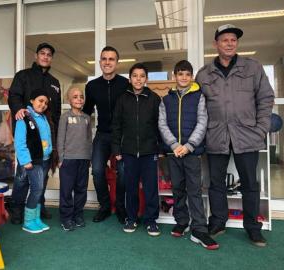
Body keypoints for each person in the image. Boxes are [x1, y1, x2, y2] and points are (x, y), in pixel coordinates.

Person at [196, 24, 274, 247]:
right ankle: (218, 221)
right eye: (225, 40)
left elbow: (266, 99)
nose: (230, 43)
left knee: (250, 183)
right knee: (216, 183)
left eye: (233, 40)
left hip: (247, 135)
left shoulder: (253, 67)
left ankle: (253, 228)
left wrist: (261, 128)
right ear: (216, 44)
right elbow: (198, 106)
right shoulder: (204, 74)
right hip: (216, 136)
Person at [158, 60, 219, 250]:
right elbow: (162, 124)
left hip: (191, 152)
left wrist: (189, 145)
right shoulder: (166, 99)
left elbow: (203, 122)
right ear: (174, 76)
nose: (183, 77)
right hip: (173, 152)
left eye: (187, 74)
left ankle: (199, 229)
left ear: (191, 77)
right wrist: (175, 145)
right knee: (178, 188)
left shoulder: (199, 96)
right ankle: (182, 221)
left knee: (194, 189)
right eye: (180, 74)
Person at [9, 42, 61, 220]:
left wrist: (56, 136)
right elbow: (14, 96)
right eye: (42, 53)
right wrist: (19, 110)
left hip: (47, 136)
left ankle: (39, 205)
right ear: (36, 56)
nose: (45, 56)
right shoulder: (23, 76)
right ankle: (16, 209)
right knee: (23, 175)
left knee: (42, 175)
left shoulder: (55, 83)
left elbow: (57, 110)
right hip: (27, 134)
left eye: (49, 54)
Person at [112, 63, 161, 236]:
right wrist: (117, 148)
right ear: (130, 78)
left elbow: (159, 125)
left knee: (150, 188)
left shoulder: (154, 98)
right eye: (135, 76)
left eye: (142, 76)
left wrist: (159, 147)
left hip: (149, 151)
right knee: (130, 187)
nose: (138, 79)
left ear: (146, 79)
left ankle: (151, 220)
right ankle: (131, 218)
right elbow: (116, 125)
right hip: (129, 151)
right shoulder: (122, 99)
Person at [82, 46, 130, 223]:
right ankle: (104, 206)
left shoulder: (126, 84)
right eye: (104, 59)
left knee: (124, 172)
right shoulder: (92, 86)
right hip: (102, 135)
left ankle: (120, 207)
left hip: (122, 136)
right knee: (96, 170)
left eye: (111, 59)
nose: (107, 62)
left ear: (117, 63)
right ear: (100, 62)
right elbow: (86, 112)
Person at [12, 88, 54, 233]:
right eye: (40, 101)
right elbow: (19, 142)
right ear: (32, 100)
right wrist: (25, 161)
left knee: (39, 190)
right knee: (36, 190)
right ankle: (28, 221)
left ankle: (36, 219)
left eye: (46, 103)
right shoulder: (24, 117)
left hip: (44, 159)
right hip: (33, 161)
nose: (43, 105)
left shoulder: (43, 117)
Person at [57, 87, 92, 231]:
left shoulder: (87, 118)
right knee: (66, 189)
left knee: (81, 189)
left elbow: (89, 139)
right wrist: (60, 157)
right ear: (69, 100)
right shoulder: (65, 117)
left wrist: (89, 156)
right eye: (75, 97)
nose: (79, 99)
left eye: (81, 96)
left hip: (83, 159)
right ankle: (66, 217)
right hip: (68, 160)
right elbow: (60, 138)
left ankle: (78, 215)